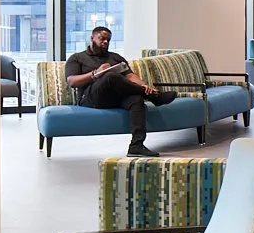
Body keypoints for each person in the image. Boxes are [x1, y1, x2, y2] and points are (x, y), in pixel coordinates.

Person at [64, 25, 177, 157]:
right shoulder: (77, 58)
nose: (105, 42)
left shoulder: (115, 57)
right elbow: (72, 81)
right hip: (90, 98)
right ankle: (154, 97)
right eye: (102, 39)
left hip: (115, 97)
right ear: (92, 38)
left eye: (108, 40)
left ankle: (136, 146)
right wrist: (95, 73)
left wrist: (145, 86)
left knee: (136, 99)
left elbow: (130, 76)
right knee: (110, 76)